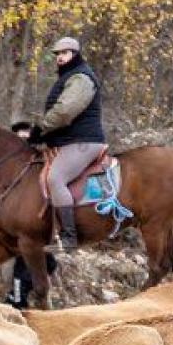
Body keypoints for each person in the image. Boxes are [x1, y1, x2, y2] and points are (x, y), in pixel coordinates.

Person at [35, 36, 105, 253]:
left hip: (83, 141)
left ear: (75, 54)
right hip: (71, 141)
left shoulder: (81, 78)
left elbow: (65, 112)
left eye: (64, 53)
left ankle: (69, 238)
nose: (60, 58)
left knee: (55, 178)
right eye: (57, 54)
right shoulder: (68, 77)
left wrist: (41, 128)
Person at [5, 120, 56, 307]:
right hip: (17, 225)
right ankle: (17, 299)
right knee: (23, 263)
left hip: (36, 224)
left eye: (27, 138)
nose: (23, 143)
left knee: (45, 262)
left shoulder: (39, 162)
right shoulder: (9, 165)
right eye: (20, 139)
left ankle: (23, 297)